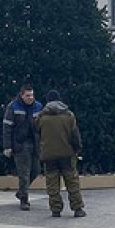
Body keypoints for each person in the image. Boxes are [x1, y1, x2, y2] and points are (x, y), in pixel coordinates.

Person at [35, 90, 85, 218]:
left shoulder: (41, 117)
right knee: (72, 182)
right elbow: (75, 135)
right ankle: (77, 209)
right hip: (67, 154)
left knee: (52, 184)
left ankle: (55, 209)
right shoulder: (69, 116)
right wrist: (77, 149)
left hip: (49, 155)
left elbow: (37, 131)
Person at [1, 86, 44, 211]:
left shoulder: (38, 106)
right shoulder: (13, 107)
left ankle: (21, 192)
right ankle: (24, 200)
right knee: (24, 173)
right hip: (20, 144)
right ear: (21, 95)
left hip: (35, 143)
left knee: (36, 170)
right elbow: (7, 128)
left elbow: (42, 126)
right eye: (27, 95)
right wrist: (7, 146)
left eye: (32, 95)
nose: (30, 98)